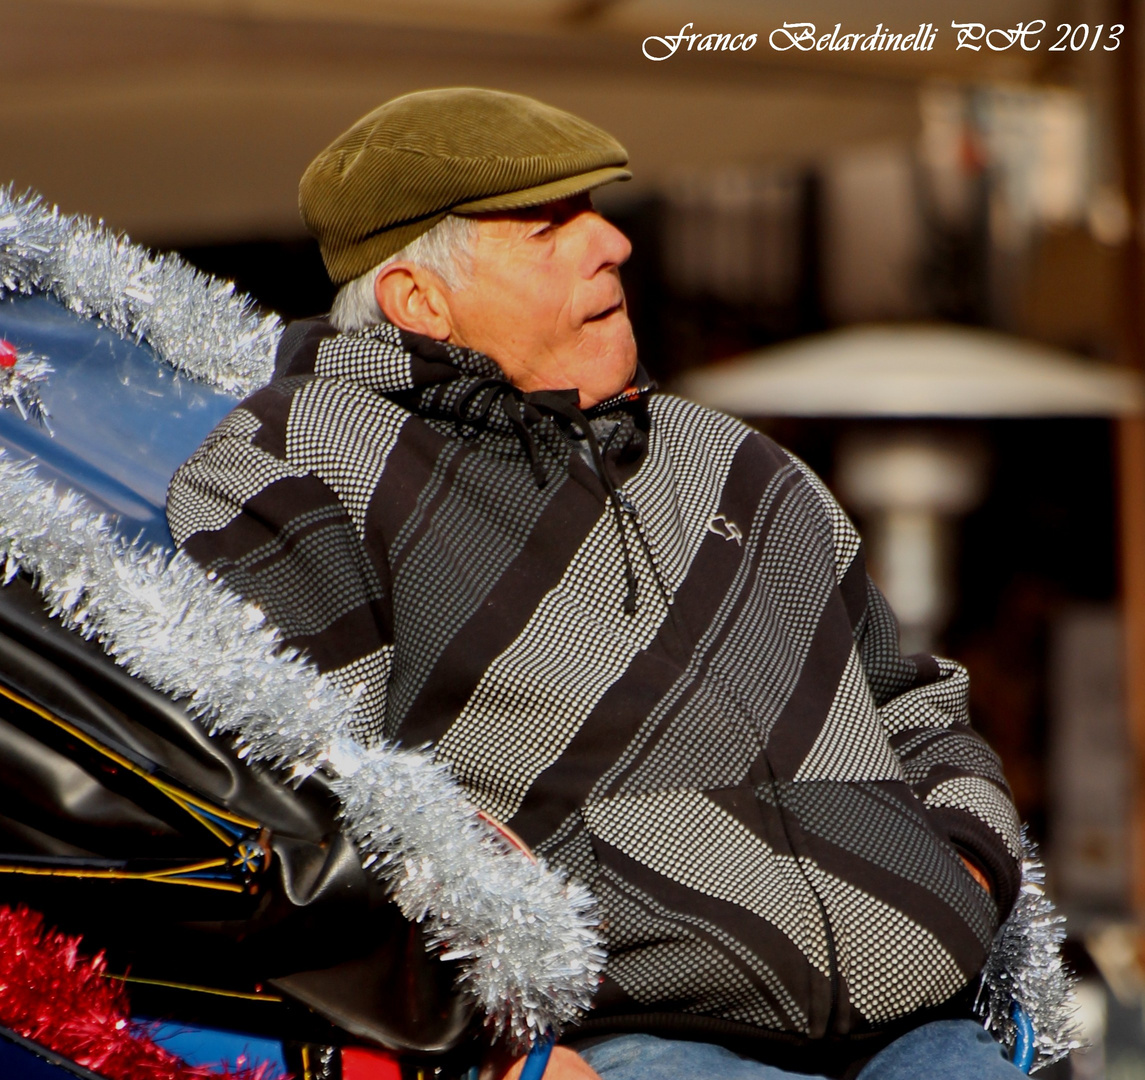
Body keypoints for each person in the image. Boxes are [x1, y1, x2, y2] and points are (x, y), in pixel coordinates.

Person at [166, 88, 1025, 1080]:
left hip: (925, 1024)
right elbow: (306, 790)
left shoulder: (737, 462)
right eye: (547, 228)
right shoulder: (297, 465)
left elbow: (910, 699)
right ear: (417, 301)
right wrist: (497, 1054)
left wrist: (963, 862)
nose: (610, 242)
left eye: (597, 211)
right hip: (625, 1041)